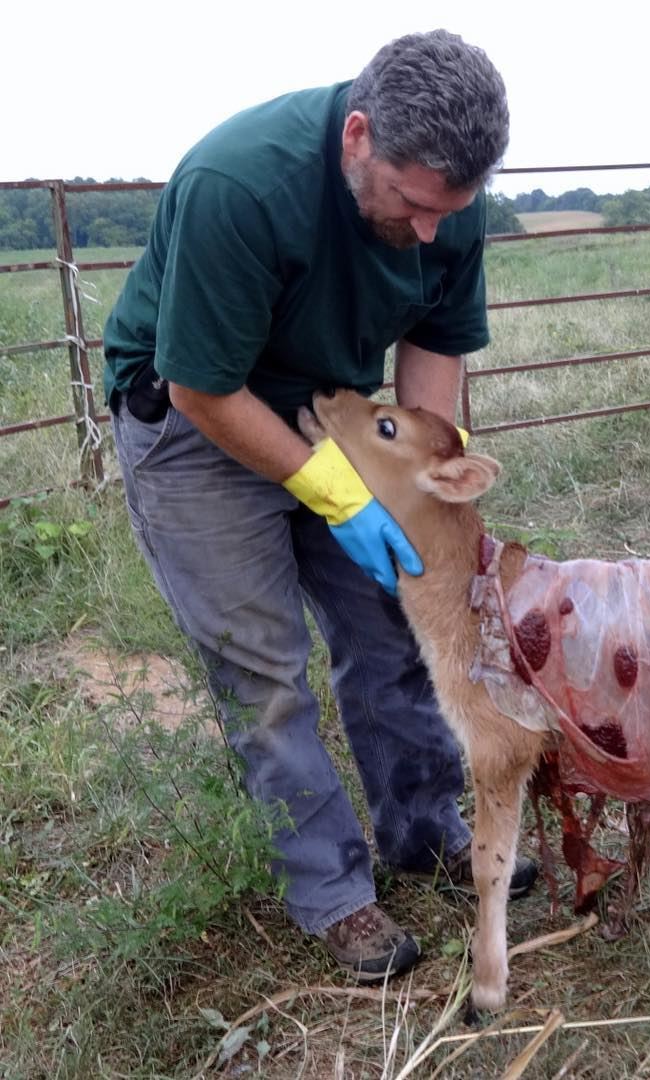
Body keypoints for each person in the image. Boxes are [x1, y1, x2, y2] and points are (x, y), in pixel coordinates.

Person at [103, 29, 535, 982]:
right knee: (264, 667)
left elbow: (429, 368)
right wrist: (332, 493)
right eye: (415, 204)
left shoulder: (445, 201)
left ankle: (426, 830)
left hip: (336, 416)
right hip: (197, 424)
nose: (431, 231)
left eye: (449, 212)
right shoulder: (239, 186)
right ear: (357, 137)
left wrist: (419, 492)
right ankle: (335, 894)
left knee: (398, 624)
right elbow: (204, 391)